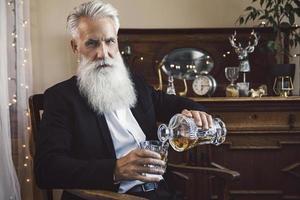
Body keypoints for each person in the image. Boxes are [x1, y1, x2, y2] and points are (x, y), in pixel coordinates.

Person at [35, 1, 213, 199]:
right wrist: (115, 169)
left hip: (162, 193)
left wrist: (196, 111)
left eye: (110, 41)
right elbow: (47, 169)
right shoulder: (62, 98)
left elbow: (173, 104)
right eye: (92, 43)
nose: (104, 53)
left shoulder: (135, 84)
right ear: (75, 47)